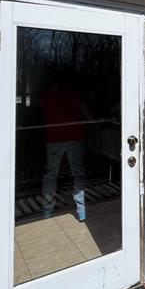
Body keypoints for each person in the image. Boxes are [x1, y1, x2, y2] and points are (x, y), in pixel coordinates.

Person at [40, 70, 90, 221]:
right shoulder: (75, 95)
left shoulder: (47, 96)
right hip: (74, 138)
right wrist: (93, 121)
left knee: (51, 175)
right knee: (78, 173)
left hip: (54, 140)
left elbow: (42, 112)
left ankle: (47, 210)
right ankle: (81, 211)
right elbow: (87, 113)